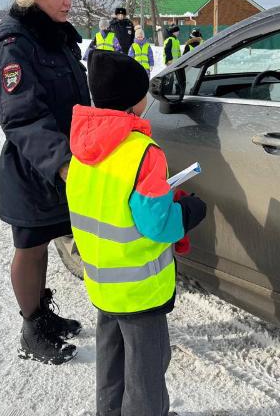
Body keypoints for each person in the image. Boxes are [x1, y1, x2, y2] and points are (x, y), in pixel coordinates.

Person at [66, 51, 207, 416]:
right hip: (140, 288)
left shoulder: (83, 148)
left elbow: (112, 202)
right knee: (146, 371)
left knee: (111, 360)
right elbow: (155, 225)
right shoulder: (142, 152)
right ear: (136, 100)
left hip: (102, 280)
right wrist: (188, 211)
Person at [0, 0, 90, 365]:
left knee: (48, 241)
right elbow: (22, 116)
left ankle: (43, 313)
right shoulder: (13, 45)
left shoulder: (57, 37)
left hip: (66, 165)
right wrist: (62, 164)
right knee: (30, 246)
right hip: (34, 168)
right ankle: (31, 327)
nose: (68, 3)